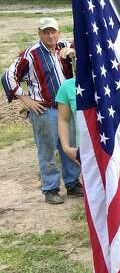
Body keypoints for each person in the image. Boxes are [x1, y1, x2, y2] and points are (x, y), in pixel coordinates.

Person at [3, 17, 81, 204]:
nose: (50, 36)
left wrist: (74, 52)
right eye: (46, 32)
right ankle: (50, 188)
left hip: (66, 107)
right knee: (47, 150)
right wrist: (26, 100)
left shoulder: (64, 46)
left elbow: (85, 52)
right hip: (45, 109)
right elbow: (8, 77)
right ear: (39, 34)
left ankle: (72, 183)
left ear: (58, 32)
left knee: (70, 145)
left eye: (53, 31)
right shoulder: (31, 54)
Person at [55, 75, 78, 163]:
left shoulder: (114, 80)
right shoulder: (67, 86)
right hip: (85, 151)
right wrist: (66, 148)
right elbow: (63, 120)